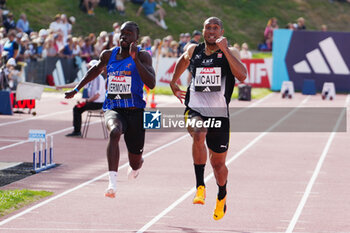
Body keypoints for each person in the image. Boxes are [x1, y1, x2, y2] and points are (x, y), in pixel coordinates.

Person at [64, 21, 156, 198]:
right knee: (114, 131)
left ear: (137, 38)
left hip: (135, 111)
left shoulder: (143, 56)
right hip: (114, 108)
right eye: (122, 33)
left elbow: (151, 83)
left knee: (135, 161)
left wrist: (135, 59)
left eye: (129, 33)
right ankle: (112, 182)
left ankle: (137, 163)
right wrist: (76, 89)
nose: (124, 36)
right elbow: (95, 70)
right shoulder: (108, 55)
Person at [170, 16, 247, 220]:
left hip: (220, 115)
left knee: (219, 166)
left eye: (215, 28)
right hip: (195, 108)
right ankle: (200, 186)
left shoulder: (230, 51)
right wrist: (173, 81)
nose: (211, 31)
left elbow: (242, 76)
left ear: (221, 31)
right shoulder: (194, 49)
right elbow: (183, 60)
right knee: (199, 132)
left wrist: (226, 51)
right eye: (208, 28)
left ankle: (222, 195)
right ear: (203, 31)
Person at [60, 60, 106, 137]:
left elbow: (97, 95)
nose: (89, 69)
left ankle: (77, 131)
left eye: (90, 67)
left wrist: (86, 101)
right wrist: (61, 87)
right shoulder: (90, 78)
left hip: (98, 104)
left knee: (77, 109)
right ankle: (77, 131)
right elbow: (77, 85)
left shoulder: (99, 78)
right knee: (77, 108)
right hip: (92, 102)